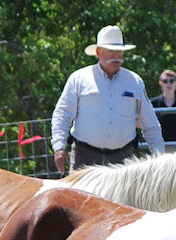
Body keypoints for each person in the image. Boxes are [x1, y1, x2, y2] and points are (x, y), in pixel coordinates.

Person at [50, 25, 164, 173]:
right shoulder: (79, 79)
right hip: (85, 158)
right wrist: (59, 147)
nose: (116, 55)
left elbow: (150, 123)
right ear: (98, 52)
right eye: (110, 51)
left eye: (119, 51)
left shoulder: (135, 81)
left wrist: (159, 155)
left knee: (122, 197)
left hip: (123, 160)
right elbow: (62, 114)